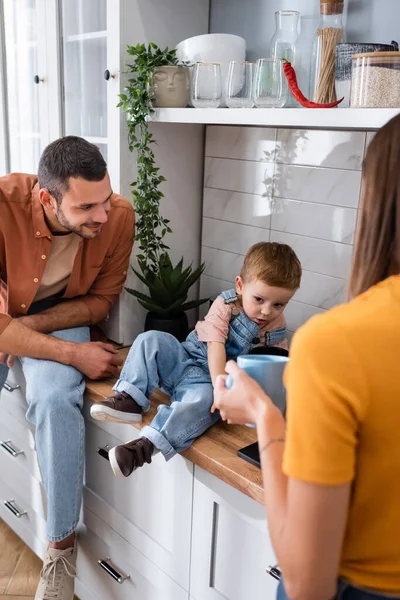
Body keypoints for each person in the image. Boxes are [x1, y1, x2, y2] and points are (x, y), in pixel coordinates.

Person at [212, 115, 400, 600]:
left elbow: (305, 583)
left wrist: (264, 415)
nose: (268, 312)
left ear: (377, 205)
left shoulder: (338, 341)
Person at [0, 136, 135, 600]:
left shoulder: (117, 217)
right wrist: (76, 355)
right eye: (85, 208)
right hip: (13, 325)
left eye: (105, 199)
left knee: (56, 399)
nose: (101, 215)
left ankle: (59, 554)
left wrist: (27, 325)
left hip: (63, 315)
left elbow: (98, 303)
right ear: (46, 198)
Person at [91, 242, 302, 477]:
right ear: (240, 286)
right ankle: (130, 397)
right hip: (186, 359)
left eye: (278, 304)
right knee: (151, 339)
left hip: (207, 386)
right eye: (260, 299)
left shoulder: (277, 326)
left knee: (202, 401)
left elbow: (277, 366)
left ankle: (143, 448)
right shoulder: (226, 304)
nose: (266, 311)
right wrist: (220, 386)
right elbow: (215, 347)